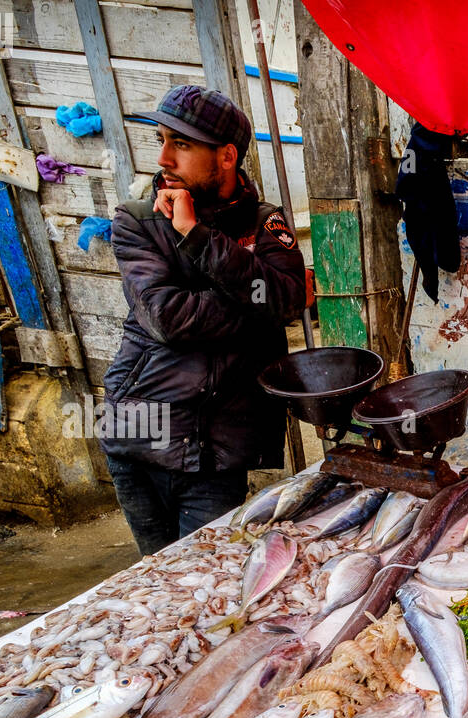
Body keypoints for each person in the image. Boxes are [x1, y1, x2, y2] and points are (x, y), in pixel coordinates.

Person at [100, 85, 307, 556]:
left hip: (219, 446)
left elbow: (287, 298)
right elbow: (167, 318)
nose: (164, 158)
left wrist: (197, 236)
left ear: (227, 156)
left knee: (206, 576)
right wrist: (260, 310)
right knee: (155, 580)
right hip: (139, 431)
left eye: (182, 145)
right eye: (162, 140)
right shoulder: (136, 220)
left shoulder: (265, 222)